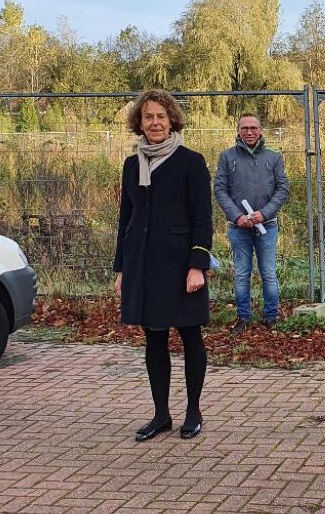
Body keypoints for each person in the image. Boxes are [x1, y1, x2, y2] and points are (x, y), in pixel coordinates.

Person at [113, 89, 212, 441]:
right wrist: (122, 269)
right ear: (139, 123)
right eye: (148, 117)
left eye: (160, 116)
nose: (155, 123)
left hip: (181, 265)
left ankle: (193, 412)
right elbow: (125, 219)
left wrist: (197, 264)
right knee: (154, 339)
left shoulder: (191, 162)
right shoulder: (131, 165)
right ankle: (161, 415)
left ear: (172, 120)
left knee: (190, 335)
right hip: (143, 265)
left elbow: (203, 218)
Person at [213, 113, 289, 334]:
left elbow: (282, 189)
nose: (249, 132)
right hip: (239, 228)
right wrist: (237, 216)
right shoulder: (227, 157)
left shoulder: (274, 157)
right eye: (244, 128)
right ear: (238, 130)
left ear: (261, 130)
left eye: (253, 128)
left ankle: (271, 317)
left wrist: (264, 214)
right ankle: (243, 318)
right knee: (241, 274)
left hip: (267, 226)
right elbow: (220, 189)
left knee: (268, 273)